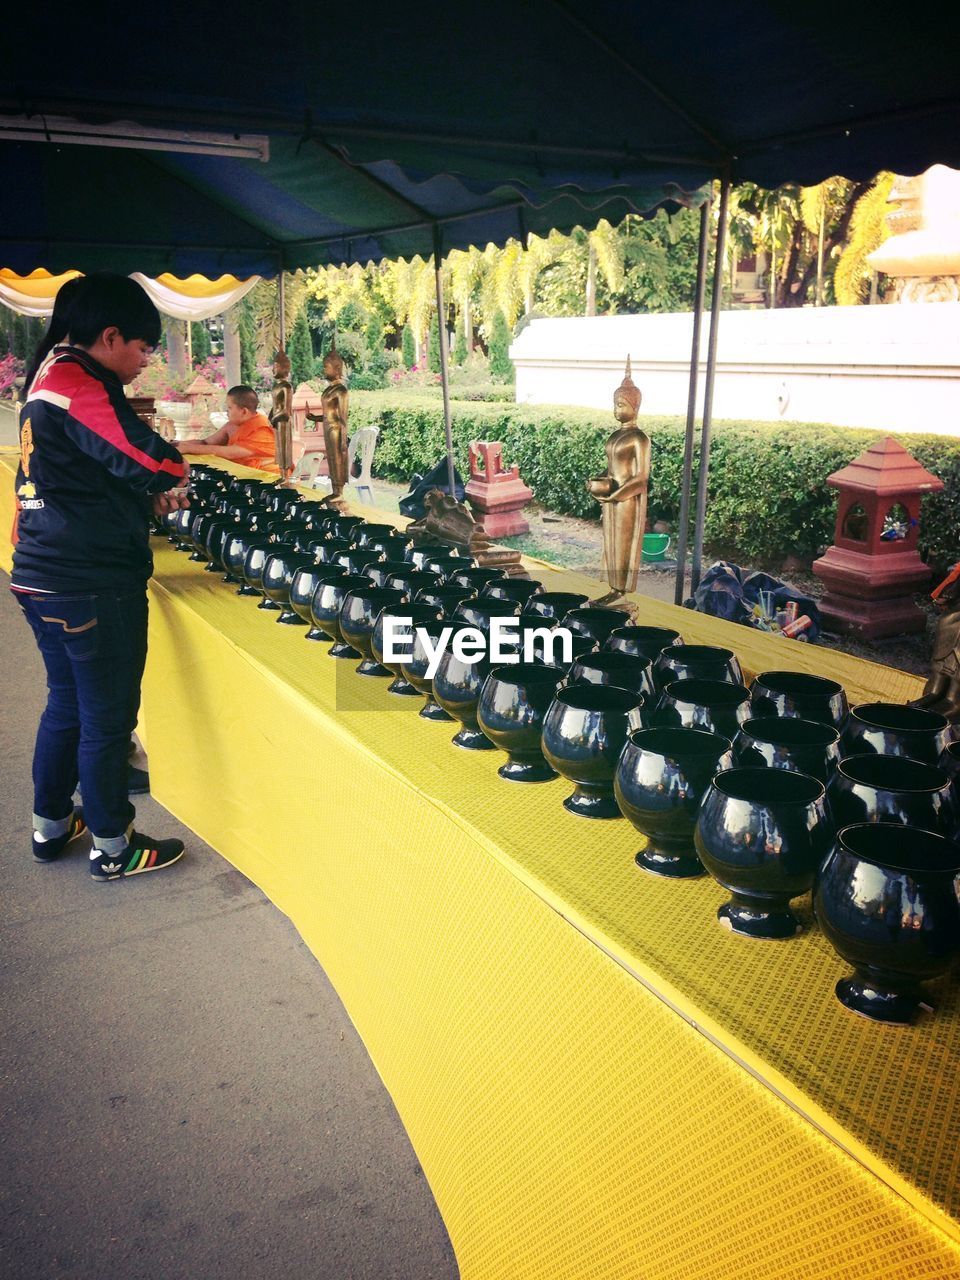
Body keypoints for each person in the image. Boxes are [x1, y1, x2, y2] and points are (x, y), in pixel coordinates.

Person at [11, 273, 190, 881]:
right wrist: (169, 476)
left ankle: (51, 826)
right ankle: (114, 845)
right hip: (87, 581)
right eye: (142, 349)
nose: (143, 362)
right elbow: (150, 456)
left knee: (67, 704)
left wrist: (140, 498)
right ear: (110, 336)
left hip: (41, 572)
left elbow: (85, 471)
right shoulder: (77, 381)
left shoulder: (47, 374)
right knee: (107, 718)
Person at [177, 384, 278, 472]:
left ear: (244, 411)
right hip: (242, 475)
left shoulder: (261, 428)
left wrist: (188, 448)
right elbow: (206, 443)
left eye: (229, 408)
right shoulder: (232, 425)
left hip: (267, 479)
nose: (226, 412)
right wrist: (179, 444)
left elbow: (230, 453)